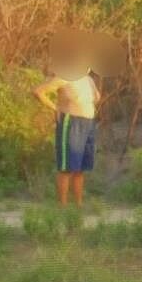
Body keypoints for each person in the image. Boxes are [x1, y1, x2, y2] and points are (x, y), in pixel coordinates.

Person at [33, 66, 101, 206]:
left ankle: (78, 205)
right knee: (67, 167)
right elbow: (39, 92)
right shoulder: (63, 77)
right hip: (71, 122)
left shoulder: (89, 80)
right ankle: (62, 206)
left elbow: (96, 97)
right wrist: (56, 107)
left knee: (81, 168)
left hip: (88, 122)